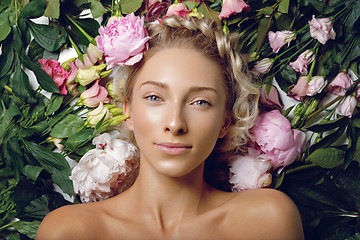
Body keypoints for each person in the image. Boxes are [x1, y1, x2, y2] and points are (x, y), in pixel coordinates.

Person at [36, 16, 304, 240]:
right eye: (154, 97)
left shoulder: (267, 220)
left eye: (201, 102)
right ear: (128, 111)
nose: (175, 123)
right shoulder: (70, 232)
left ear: (226, 121)